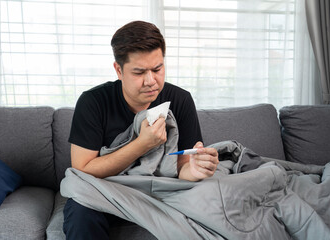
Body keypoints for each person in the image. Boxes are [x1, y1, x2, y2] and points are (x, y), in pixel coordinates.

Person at [63, 20, 219, 240]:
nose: (151, 81)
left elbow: (183, 165)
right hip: (106, 193)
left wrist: (194, 169)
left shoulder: (180, 100)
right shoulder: (93, 102)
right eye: (139, 72)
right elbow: (82, 169)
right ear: (119, 70)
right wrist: (141, 144)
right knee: (80, 213)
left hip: (161, 192)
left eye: (157, 69)